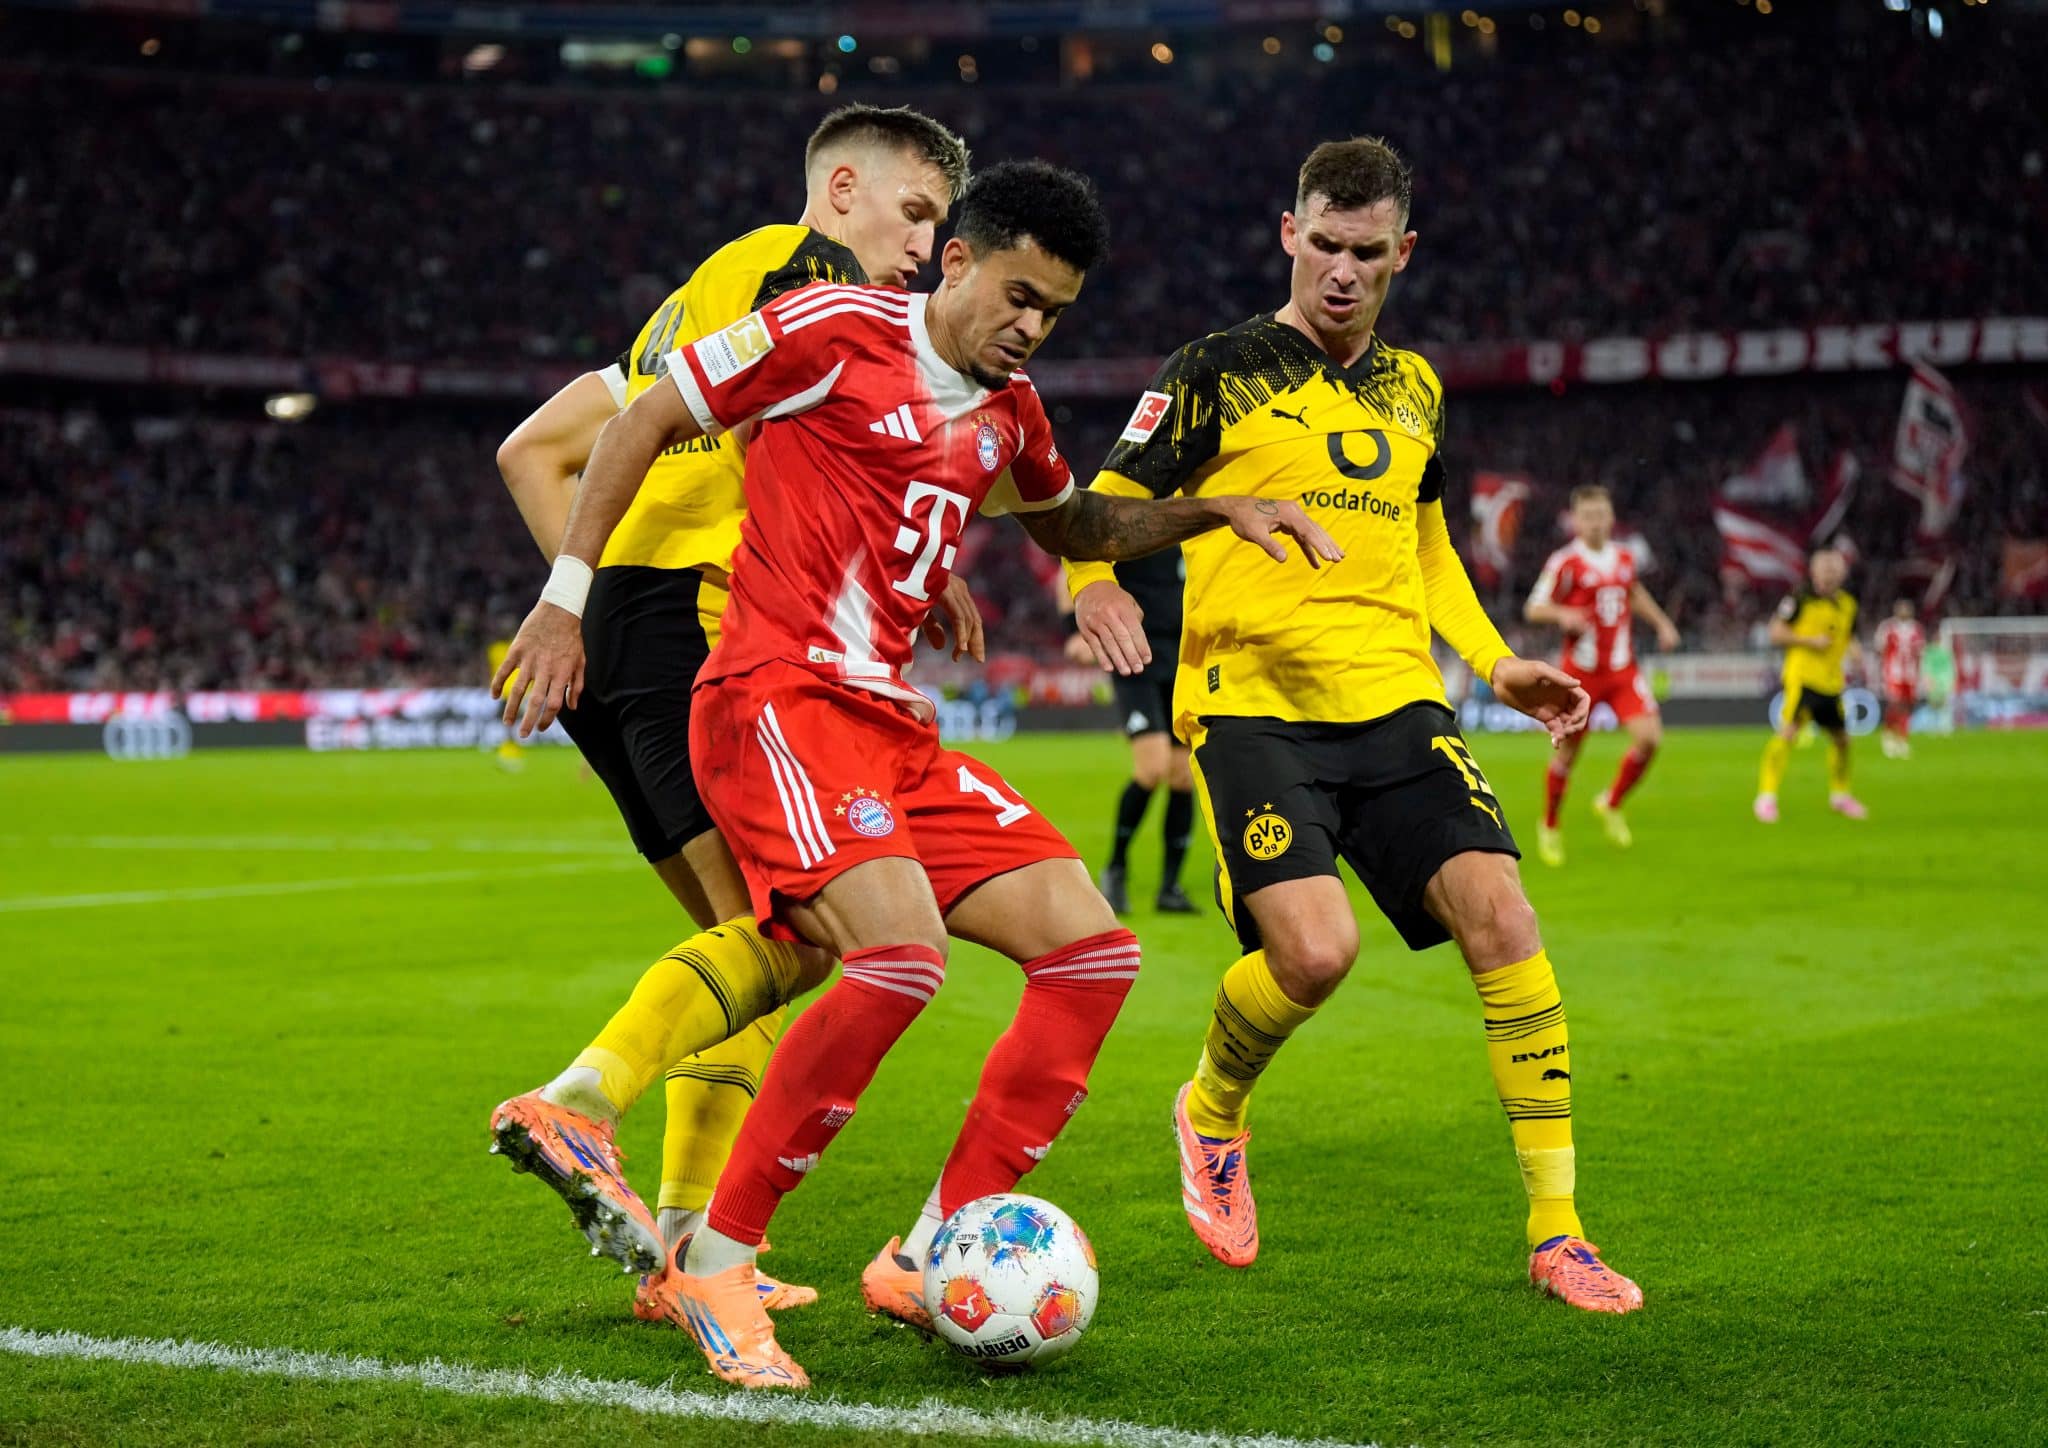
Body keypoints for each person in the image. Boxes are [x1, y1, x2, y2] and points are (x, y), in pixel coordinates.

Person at [495, 160, 1340, 1388]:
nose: (1030, 326)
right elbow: (639, 419)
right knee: (896, 956)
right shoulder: (829, 325)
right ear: (953, 259)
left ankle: (935, 1241)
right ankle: (714, 1262)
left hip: (889, 726)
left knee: (1092, 950)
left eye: (1052, 310)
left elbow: (1075, 527)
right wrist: (565, 601)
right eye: (1015, 295)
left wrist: (1216, 509)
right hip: (773, 697)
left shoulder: (1012, 410)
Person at [1066, 136, 1644, 1315]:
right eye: (1320, 244)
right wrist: (1091, 585)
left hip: (1398, 701)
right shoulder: (1212, 370)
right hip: (1252, 708)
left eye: (1364, 252)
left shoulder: (1415, 387)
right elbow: (1097, 508)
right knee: (1315, 952)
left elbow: (1425, 548)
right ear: (1289, 234)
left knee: (1504, 914)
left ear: (1401, 253)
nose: (1339, 270)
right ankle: (1211, 1108)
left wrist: (1495, 661)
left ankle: (1557, 1230)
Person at [485, 106, 976, 1313]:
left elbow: (529, 452)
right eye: (914, 213)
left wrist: (581, 607)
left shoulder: (704, 289)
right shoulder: (810, 277)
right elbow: (791, 451)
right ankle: (580, 1110)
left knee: (750, 946)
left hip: (629, 641)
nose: (921, 248)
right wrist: (913, 548)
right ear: (843, 188)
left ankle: (679, 1247)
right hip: (704, 630)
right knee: (796, 937)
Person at [1522, 485, 1680, 864]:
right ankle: (1550, 824)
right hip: (1581, 674)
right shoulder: (1565, 562)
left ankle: (1610, 802)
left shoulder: (1624, 557)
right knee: (1568, 756)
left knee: (1649, 739)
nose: (1595, 523)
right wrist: (1562, 615)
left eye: (1601, 515)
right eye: (1587, 516)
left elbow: (1634, 593)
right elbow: (1533, 608)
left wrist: (1662, 623)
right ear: (1575, 521)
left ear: (1611, 518)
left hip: (1623, 669)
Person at [1062, 547, 1198, 914]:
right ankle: (1116, 869)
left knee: (1184, 776)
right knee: (1152, 769)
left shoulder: (1197, 511)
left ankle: (1170, 888)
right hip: (1134, 649)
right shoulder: (1133, 509)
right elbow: (1073, 557)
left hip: (1186, 652)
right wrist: (1074, 626)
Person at [1755, 547, 1866, 822]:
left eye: (1834, 570)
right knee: (1789, 732)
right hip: (1803, 678)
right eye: (1824, 570)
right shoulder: (1799, 599)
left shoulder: (1848, 605)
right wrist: (1809, 641)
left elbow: (1847, 635)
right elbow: (1776, 632)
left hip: (1831, 682)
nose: (1829, 575)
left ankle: (1840, 795)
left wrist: (1855, 652)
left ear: (1843, 573)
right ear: (1814, 572)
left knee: (1842, 741)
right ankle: (1766, 797)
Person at [1873, 598, 1926, 759]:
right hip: (1893, 672)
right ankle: (1889, 736)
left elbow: (1920, 652)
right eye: (1901, 608)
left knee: (1907, 705)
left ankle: (1902, 739)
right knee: (1895, 704)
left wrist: (1920, 673)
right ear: (1896, 611)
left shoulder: (1916, 629)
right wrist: (1883, 669)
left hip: (1910, 674)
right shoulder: (1888, 627)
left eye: (1907, 608)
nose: (1904, 611)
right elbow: (1879, 649)